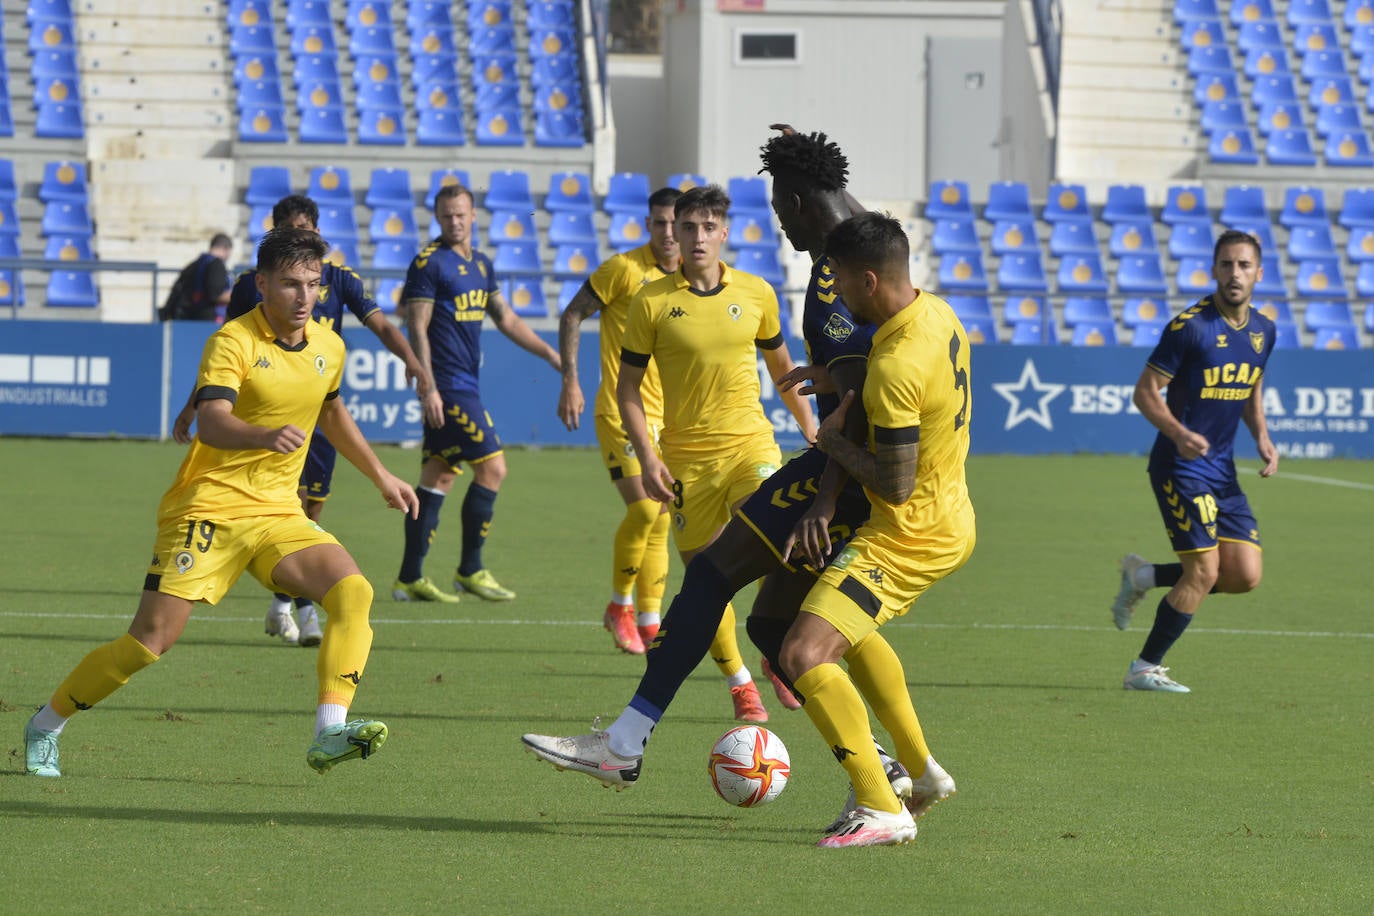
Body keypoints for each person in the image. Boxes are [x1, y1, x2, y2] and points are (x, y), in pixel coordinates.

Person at [522, 136, 951, 833]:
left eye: (780, 208)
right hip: (870, 474)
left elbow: (860, 409)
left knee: (719, 576)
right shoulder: (870, 244)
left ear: (795, 200)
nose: (779, 224)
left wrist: (823, 495)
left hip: (857, 478)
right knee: (775, 622)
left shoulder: (838, 277)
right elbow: (858, 385)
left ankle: (625, 744)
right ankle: (908, 766)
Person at [24, 227, 419, 778]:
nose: (303, 297)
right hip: (207, 509)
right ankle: (46, 723)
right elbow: (211, 421)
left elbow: (330, 410)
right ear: (261, 284)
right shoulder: (234, 341)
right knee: (147, 643)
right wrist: (264, 435)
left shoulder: (330, 346)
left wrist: (381, 475)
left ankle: (329, 729)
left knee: (353, 592)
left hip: (278, 511)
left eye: (313, 284)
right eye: (289, 284)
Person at [772, 212, 975, 848]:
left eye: (837, 280)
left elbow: (892, 484)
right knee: (845, 636)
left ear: (867, 280)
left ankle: (880, 805)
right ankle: (923, 772)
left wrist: (831, 437)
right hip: (948, 517)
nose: (833, 291)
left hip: (909, 535)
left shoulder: (894, 367)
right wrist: (840, 379)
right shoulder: (936, 313)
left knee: (802, 653)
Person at [173, 195, 431, 648]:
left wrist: (411, 359)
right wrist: (196, 405)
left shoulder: (339, 286)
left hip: (312, 409)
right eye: (292, 232)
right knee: (153, 637)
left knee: (312, 511)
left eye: (308, 232)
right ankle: (301, 608)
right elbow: (226, 359)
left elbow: (381, 328)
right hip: (258, 427)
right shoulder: (247, 300)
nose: (304, 294)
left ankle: (287, 605)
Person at [1110, 229, 1278, 694]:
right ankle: (1144, 667)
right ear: (1214, 271)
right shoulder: (1191, 328)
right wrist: (1179, 433)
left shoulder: (1265, 330)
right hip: (1180, 467)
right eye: (1226, 265)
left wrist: (1262, 436)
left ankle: (1142, 576)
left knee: (1243, 576)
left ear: (1259, 273)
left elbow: (1251, 388)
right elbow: (1145, 392)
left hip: (1222, 471)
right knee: (1203, 572)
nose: (1235, 274)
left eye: (1244, 265)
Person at [391, 183, 562, 604]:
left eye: (461, 214)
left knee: (439, 476)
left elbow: (506, 319)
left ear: (473, 216)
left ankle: (409, 579)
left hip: (466, 382)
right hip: (447, 388)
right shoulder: (428, 264)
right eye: (447, 215)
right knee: (494, 469)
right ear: (437, 217)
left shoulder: (482, 264)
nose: (454, 221)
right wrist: (427, 387)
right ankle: (470, 569)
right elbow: (416, 328)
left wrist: (550, 354)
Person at [557, 187, 680, 655]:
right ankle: (619, 607)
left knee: (663, 516)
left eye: (675, 223)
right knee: (647, 508)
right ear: (648, 225)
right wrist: (571, 380)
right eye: (659, 223)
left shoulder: (687, 279)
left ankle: (650, 618)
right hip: (619, 409)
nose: (668, 233)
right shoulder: (623, 269)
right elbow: (573, 314)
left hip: (668, 418)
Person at [161, 233, 233, 321]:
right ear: (226, 249)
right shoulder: (216, 264)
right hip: (209, 319)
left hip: (190, 316)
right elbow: (216, 295)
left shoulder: (196, 264)